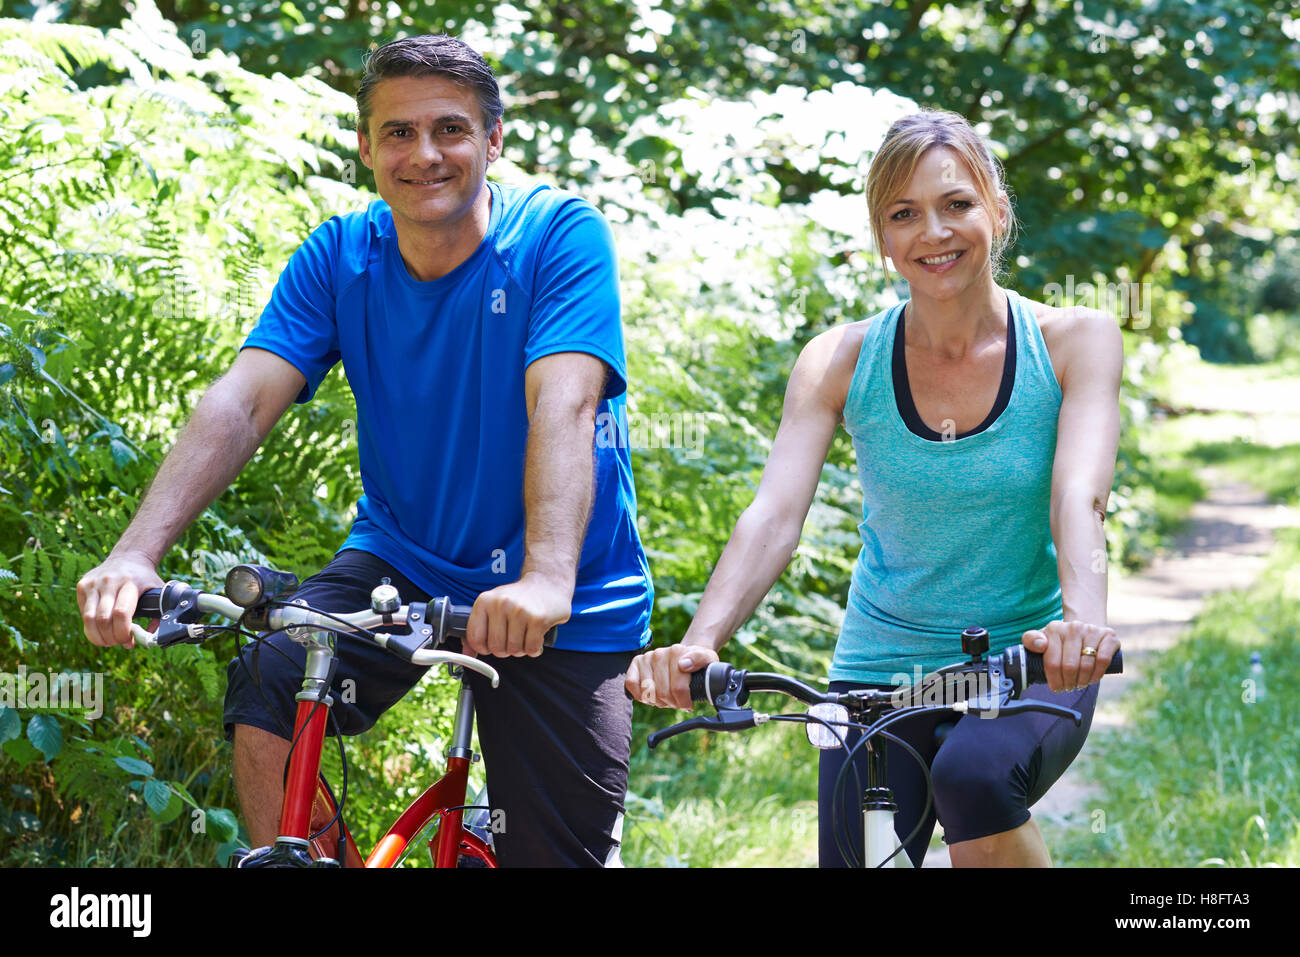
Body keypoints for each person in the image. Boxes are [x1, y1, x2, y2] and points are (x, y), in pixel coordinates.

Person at [76, 34, 652, 867]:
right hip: (404, 559)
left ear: (494, 142)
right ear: (366, 146)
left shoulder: (557, 237)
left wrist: (546, 578)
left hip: (565, 596)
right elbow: (242, 402)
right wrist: (136, 553)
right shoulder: (340, 256)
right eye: (398, 132)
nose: (425, 154)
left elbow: (563, 401)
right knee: (271, 673)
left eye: (450, 130)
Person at [626, 109, 1122, 867]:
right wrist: (701, 642)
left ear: (995, 206)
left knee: (972, 775)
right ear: (882, 237)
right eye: (904, 214)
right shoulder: (839, 359)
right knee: (858, 856)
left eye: (956, 204)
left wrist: (1080, 626)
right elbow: (774, 515)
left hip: (1028, 658)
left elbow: (1078, 496)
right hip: (880, 667)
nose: (934, 232)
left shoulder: (1074, 341)